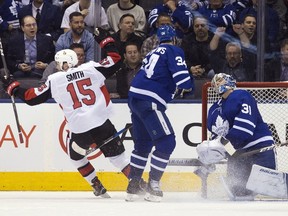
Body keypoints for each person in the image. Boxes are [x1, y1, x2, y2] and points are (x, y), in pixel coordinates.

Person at [1, 27, 137, 198]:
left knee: (76, 157)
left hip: (80, 130)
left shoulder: (55, 80)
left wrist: (12, 87)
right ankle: (138, 184)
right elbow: (116, 60)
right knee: (120, 159)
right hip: (102, 122)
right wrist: (106, 40)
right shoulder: (91, 68)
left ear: (61, 64)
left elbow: (31, 98)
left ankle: (97, 185)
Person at [125, 24, 194, 202]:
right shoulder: (174, 50)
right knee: (167, 142)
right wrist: (186, 86)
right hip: (150, 100)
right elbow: (183, 81)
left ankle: (133, 186)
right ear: (173, 39)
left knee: (143, 144)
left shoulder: (151, 53)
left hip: (134, 97)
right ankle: (153, 184)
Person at [196, 73, 276, 201]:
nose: (217, 83)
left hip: (259, 148)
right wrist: (210, 154)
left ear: (230, 82)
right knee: (237, 190)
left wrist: (220, 145)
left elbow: (244, 131)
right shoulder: (213, 109)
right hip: (238, 154)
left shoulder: (241, 96)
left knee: (268, 185)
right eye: (215, 81)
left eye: (220, 80)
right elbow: (217, 136)